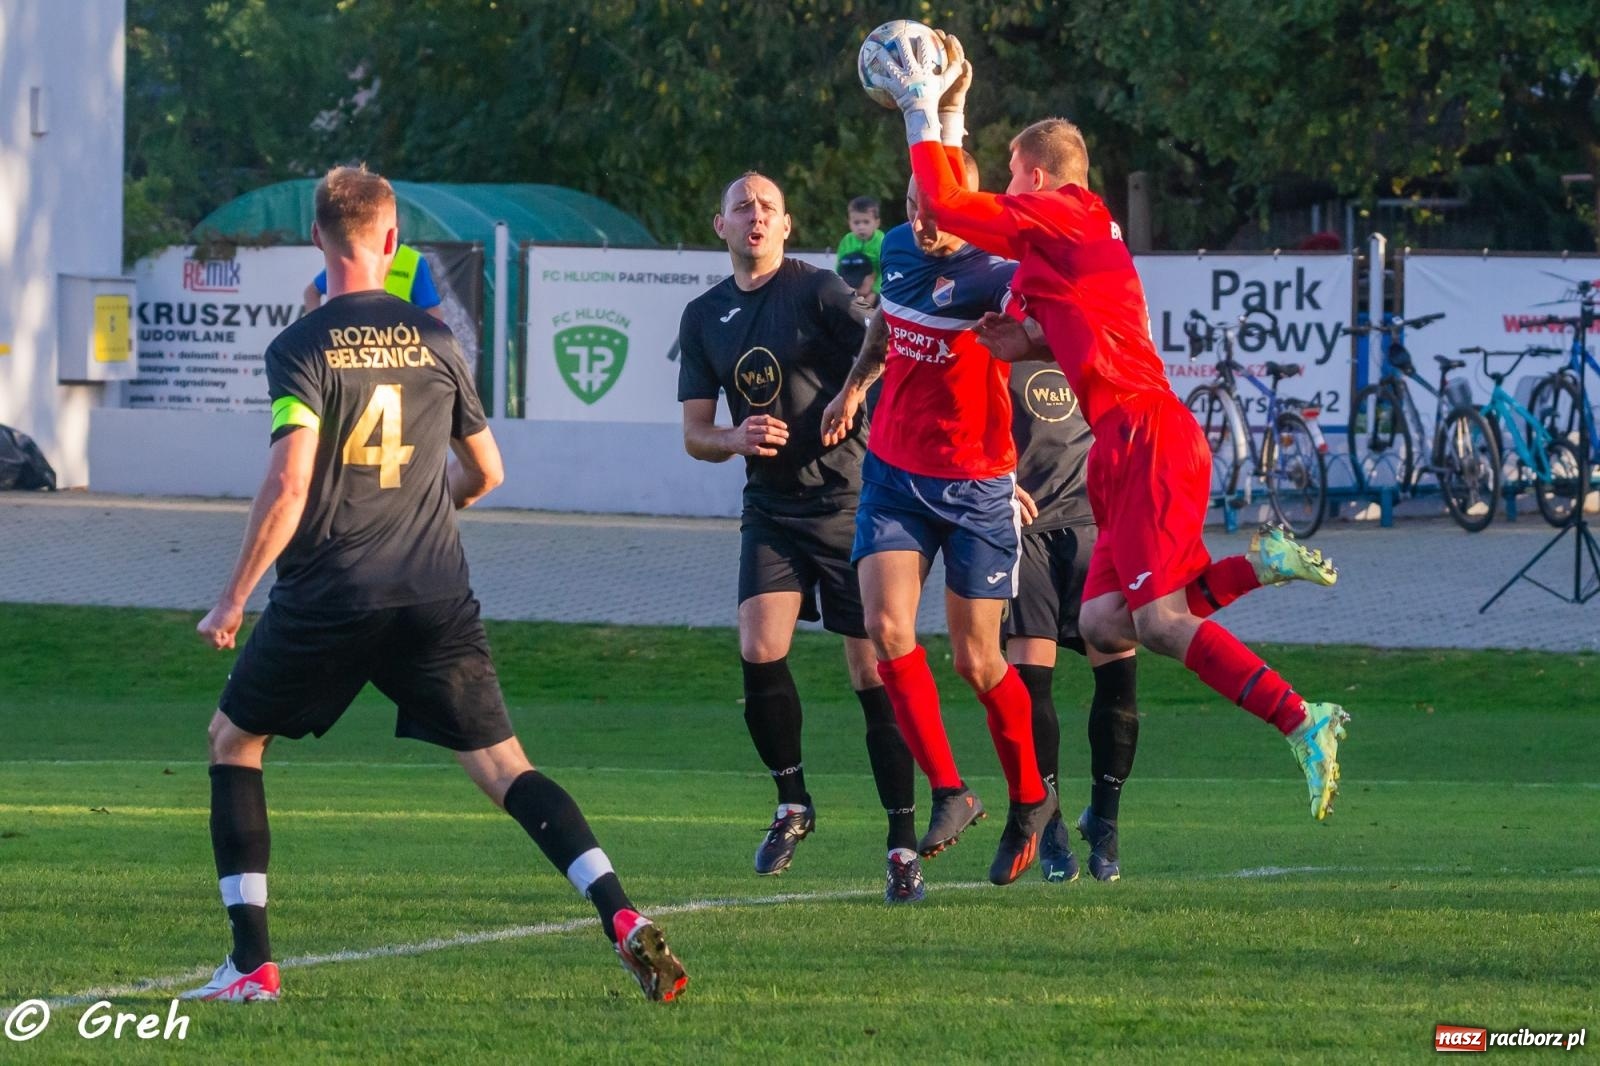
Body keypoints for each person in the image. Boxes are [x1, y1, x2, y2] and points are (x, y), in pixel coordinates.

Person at [186, 165, 686, 1004]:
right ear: (391, 242)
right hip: (433, 592)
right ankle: (622, 915)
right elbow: (485, 471)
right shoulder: (437, 339)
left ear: (319, 240)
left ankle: (251, 966)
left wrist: (234, 594)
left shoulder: (300, 345)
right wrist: (419, 507)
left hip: (332, 593)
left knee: (233, 741)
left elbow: (289, 482)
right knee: (505, 768)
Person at [883, 37, 1349, 822]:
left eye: (1010, 178)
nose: (1006, 191)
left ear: (1035, 175)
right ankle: (1259, 564)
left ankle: (1304, 720)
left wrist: (921, 107)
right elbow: (1066, 325)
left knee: (1162, 622)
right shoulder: (1062, 243)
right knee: (1104, 620)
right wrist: (1023, 340)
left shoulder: (1062, 214)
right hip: (1121, 444)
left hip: (1149, 438)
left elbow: (947, 206)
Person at [678, 172, 922, 903]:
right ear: (719, 226)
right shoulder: (702, 315)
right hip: (771, 507)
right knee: (757, 647)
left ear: (787, 226)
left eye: (768, 208)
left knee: (872, 674)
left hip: (851, 502)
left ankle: (903, 842)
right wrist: (735, 435)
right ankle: (792, 804)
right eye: (742, 208)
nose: (755, 217)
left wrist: (852, 396)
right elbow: (694, 435)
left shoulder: (818, 292)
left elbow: (889, 347)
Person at [821, 150, 1055, 890]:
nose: (921, 221)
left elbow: (1058, 322)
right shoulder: (893, 246)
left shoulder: (999, 268)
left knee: (976, 661)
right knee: (885, 630)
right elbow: (887, 329)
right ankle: (953, 791)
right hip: (894, 473)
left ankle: (1030, 799)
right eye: (913, 205)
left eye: (935, 208)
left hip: (977, 487)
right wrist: (855, 388)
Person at [976, 308, 1140, 883]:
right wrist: (996, 481)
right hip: (1027, 529)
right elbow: (967, 425)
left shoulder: (1096, 335)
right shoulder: (996, 335)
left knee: (1117, 671)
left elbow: (1135, 419)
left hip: (1099, 526)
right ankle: (1050, 823)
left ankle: (1107, 821)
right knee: (1030, 677)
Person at [303, 241, 444, 319]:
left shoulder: (412, 261)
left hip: (396, 347)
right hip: (355, 345)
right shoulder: (353, 257)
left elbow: (433, 311)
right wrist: (316, 327)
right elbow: (311, 292)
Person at [836, 195, 885, 295]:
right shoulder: (847, 241)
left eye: (866, 222)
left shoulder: (882, 241)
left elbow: (885, 272)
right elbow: (839, 267)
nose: (861, 227)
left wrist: (874, 293)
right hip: (850, 287)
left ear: (877, 223)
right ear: (849, 223)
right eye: (856, 222)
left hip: (876, 289)